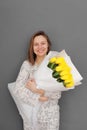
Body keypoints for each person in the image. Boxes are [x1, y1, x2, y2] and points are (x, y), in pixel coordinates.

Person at [11, 31, 81, 130]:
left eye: (43, 43)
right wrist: (37, 97)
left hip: (50, 116)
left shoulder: (55, 64)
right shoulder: (27, 65)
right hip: (31, 114)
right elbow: (17, 89)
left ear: (48, 45)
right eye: (36, 44)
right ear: (32, 47)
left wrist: (37, 90)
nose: (40, 47)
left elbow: (57, 94)